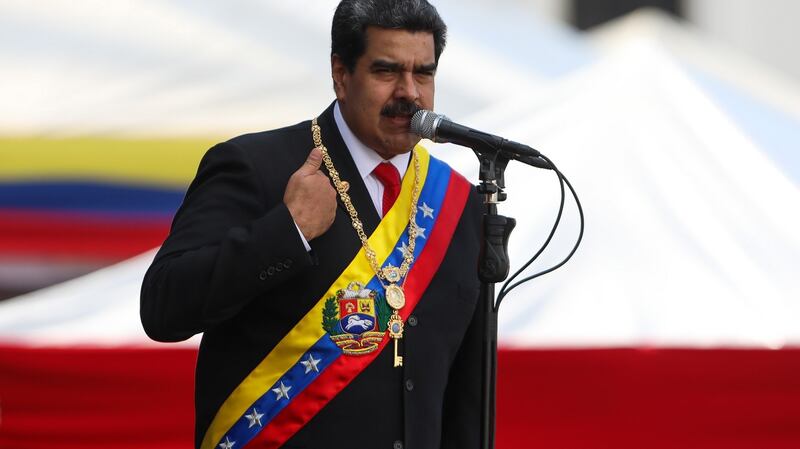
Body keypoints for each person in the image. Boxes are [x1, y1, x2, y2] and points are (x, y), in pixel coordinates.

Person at [140, 1, 484, 448]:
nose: (409, 93)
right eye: (386, 71)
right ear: (341, 74)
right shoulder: (255, 166)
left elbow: (465, 397)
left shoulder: (459, 203)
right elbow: (163, 308)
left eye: (423, 73)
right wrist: (288, 231)